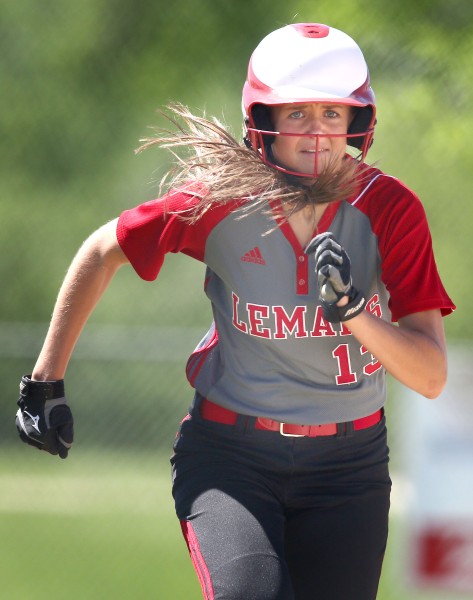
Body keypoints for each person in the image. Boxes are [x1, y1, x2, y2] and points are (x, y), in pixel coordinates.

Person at [15, 23, 455, 600]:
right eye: (296, 113)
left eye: (332, 112)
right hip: (232, 457)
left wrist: (354, 314)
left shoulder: (391, 210)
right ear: (262, 120)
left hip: (349, 470)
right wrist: (45, 380)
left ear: (359, 121)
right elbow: (103, 250)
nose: (318, 132)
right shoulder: (222, 201)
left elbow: (430, 375)